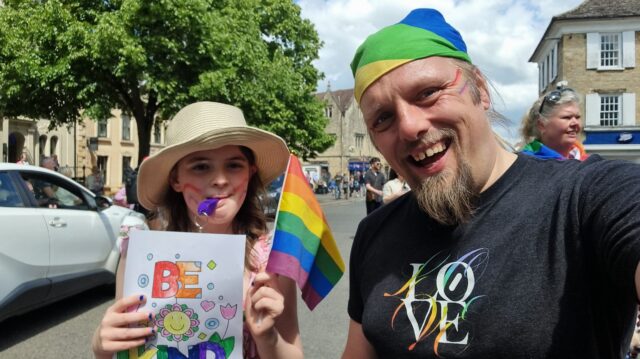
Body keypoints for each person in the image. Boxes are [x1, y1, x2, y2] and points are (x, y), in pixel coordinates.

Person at [343, 8, 640, 358]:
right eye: (383, 117)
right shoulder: (373, 233)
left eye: (427, 93)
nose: (409, 127)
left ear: (480, 90)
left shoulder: (586, 198)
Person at [91, 102, 302, 359]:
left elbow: (294, 352)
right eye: (201, 166)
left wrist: (267, 336)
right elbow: (125, 343)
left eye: (234, 165)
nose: (220, 179)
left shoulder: (272, 260)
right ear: (176, 179)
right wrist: (101, 346)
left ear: (250, 171)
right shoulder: (140, 254)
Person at [520, 86, 588, 160]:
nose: (575, 123)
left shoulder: (588, 163)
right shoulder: (526, 163)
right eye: (567, 117)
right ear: (541, 125)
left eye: (577, 117)